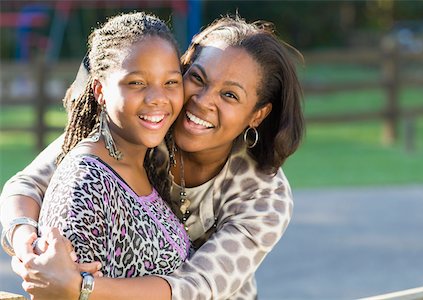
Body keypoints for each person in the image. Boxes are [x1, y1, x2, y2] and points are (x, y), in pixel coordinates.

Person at [1, 15, 305, 300]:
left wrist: (80, 287)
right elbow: (27, 183)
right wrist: (31, 251)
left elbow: (196, 287)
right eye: (197, 79)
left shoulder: (265, 196)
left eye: (230, 95)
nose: (201, 102)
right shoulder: (146, 124)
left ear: (258, 114)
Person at [2, 10, 190, 298]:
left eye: (171, 82)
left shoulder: (146, 159)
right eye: (136, 82)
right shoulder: (86, 183)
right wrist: (24, 237)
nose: (158, 98)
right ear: (100, 91)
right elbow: (57, 293)